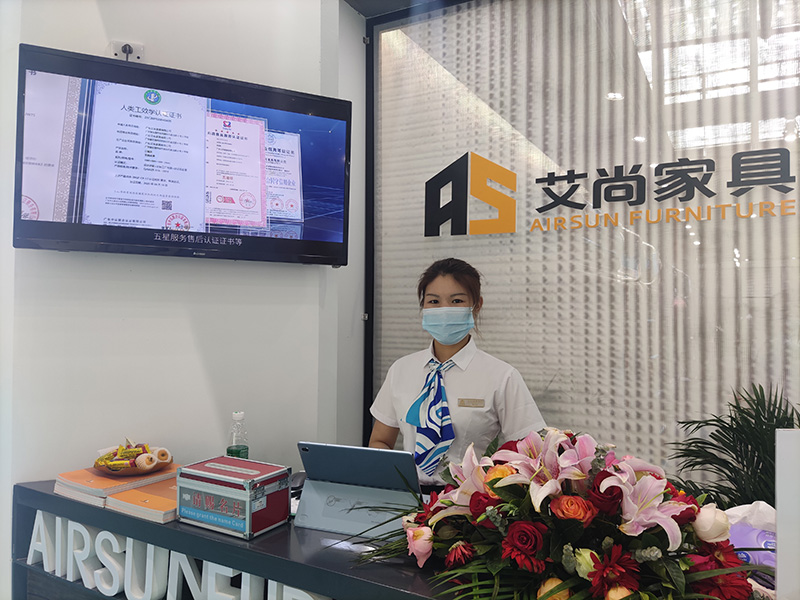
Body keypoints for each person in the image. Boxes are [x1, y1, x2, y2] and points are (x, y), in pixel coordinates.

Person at [369, 257, 546, 492]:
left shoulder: (502, 376)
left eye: (457, 301)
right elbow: (380, 440)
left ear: (477, 305)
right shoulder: (401, 370)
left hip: (469, 502)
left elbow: (531, 453)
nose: (444, 310)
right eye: (434, 301)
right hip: (408, 498)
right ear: (423, 306)